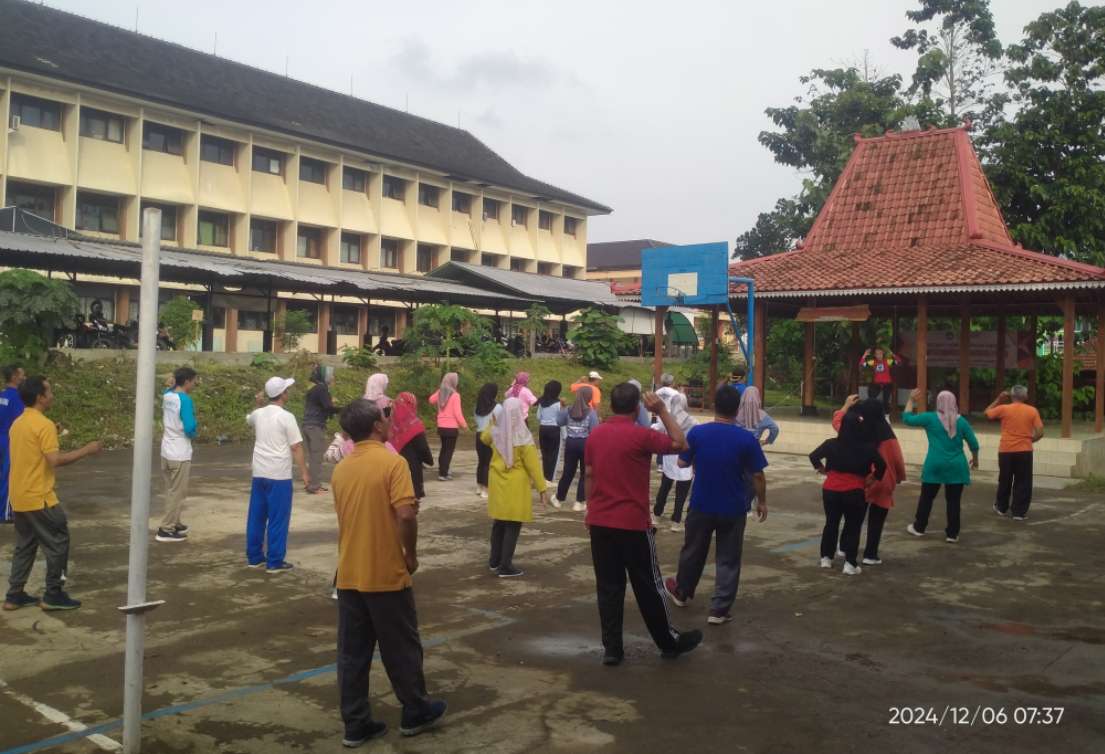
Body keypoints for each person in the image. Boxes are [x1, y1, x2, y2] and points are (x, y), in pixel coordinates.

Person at [331, 399, 447, 746]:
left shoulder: (342, 469)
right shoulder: (393, 463)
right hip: (384, 570)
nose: (388, 420)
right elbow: (406, 515)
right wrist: (409, 554)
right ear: (378, 426)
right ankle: (414, 709)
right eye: (384, 416)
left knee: (352, 654)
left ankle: (355, 723)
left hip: (349, 573)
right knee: (401, 646)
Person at [584, 382, 702, 666]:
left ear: (610, 406)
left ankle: (612, 649)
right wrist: (661, 410)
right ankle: (668, 642)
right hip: (633, 524)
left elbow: (589, 475)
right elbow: (681, 443)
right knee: (648, 586)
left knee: (608, 587)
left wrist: (590, 512)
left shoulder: (596, 435)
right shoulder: (641, 436)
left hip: (600, 522)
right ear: (637, 407)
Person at [664, 385, 768, 621]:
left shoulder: (698, 434)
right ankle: (719, 609)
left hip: (701, 503)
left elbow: (681, 463)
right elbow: (758, 475)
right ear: (737, 409)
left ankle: (682, 592)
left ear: (714, 405)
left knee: (692, 551)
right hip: (733, 507)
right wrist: (761, 501)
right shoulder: (747, 439)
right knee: (729, 558)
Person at [3, 376, 101, 611]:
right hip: (40, 497)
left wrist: (52, 431)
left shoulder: (19, 423)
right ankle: (53, 593)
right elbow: (55, 460)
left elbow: (33, 449)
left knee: (25, 545)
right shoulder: (43, 425)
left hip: (19, 496)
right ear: (40, 397)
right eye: (49, 391)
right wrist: (87, 450)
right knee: (58, 542)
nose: (52, 395)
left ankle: (14, 594)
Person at [809, 404, 886, 575]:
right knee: (853, 526)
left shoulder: (831, 444)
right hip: (854, 490)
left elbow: (813, 456)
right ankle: (850, 564)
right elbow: (882, 465)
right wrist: (872, 478)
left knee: (831, 523)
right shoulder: (867, 447)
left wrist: (822, 469)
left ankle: (826, 559)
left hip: (831, 489)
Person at [480, 397, 550, 577]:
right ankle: (506, 565)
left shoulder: (496, 431)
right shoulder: (523, 435)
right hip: (516, 485)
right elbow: (533, 465)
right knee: (513, 524)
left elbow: (483, 438)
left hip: (497, 482)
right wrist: (542, 488)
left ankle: (494, 562)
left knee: (499, 523)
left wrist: (491, 424)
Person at [246, 376, 310, 573]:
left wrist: (257, 405)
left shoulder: (258, 414)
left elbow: (249, 419)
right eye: (286, 390)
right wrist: (305, 473)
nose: (287, 393)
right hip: (279, 474)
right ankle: (275, 561)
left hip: (259, 472)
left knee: (256, 515)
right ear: (282, 394)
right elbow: (296, 447)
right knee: (278, 518)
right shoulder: (286, 417)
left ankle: (255, 557)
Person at [832, 396, 906, 565]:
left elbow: (837, 422)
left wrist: (845, 405)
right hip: (884, 481)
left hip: (863, 479)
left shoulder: (856, 431)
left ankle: (844, 547)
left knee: (854, 518)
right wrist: (900, 477)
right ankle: (870, 554)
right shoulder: (888, 436)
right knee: (876, 521)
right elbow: (897, 459)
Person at [903, 389, 979, 543]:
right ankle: (952, 534)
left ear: (938, 402)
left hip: (935, 464)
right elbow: (974, 444)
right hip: (957, 466)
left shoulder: (930, 418)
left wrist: (911, 400)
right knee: (953, 501)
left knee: (927, 498)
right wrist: (975, 460)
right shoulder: (962, 422)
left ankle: (919, 527)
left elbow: (907, 419)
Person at [984, 386, 1044, 521]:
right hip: (1024, 450)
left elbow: (987, 413)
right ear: (1025, 397)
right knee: (1023, 481)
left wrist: (998, 399)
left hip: (1006, 450)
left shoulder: (1004, 408)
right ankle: (1019, 512)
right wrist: (1030, 440)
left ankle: (1001, 507)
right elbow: (1040, 432)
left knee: (1004, 479)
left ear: (1011, 396)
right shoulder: (1032, 411)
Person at [157, 366, 198, 543]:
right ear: (187, 381)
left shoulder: (168, 396)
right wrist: (194, 433)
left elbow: (168, 389)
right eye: (194, 381)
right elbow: (189, 427)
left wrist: (170, 384)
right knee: (177, 492)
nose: (196, 384)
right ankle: (166, 528)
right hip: (180, 452)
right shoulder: (185, 400)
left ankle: (175, 522)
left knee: (172, 489)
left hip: (167, 450)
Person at [652, 392, 696, 532]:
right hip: (686, 459)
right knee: (681, 493)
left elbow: (656, 429)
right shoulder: (693, 421)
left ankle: (656, 515)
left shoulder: (667, 419)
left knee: (664, 488)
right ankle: (676, 521)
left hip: (669, 458)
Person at [555, 386, 599, 511]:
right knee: (585, 473)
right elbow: (594, 430)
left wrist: (562, 408)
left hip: (570, 443)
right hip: (585, 443)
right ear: (589, 397)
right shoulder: (591, 413)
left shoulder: (568, 410)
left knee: (568, 471)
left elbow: (559, 422)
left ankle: (559, 498)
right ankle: (579, 502)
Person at [390, 392, 434, 501]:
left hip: (395, 467)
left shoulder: (390, 423)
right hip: (413, 470)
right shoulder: (414, 424)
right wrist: (429, 460)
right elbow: (422, 447)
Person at [303, 365, 340, 495]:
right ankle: (314, 486)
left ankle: (312, 483)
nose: (333, 377)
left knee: (314, 456)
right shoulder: (321, 389)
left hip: (308, 425)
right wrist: (343, 409)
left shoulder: (315, 389)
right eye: (331, 374)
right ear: (325, 377)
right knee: (316, 456)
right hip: (315, 426)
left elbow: (324, 407)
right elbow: (328, 407)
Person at [429, 372, 467, 481]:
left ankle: (443, 470)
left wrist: (439, 390)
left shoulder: (441, 392)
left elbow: (431, 400)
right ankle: (443, 473)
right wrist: (464, 425)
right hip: (451, 428)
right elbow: (457, 413)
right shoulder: (455, 395)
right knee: (448, 451)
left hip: (441, 426)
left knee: (444, 449)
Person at [1, 364, 26, 524]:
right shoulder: (17, 398)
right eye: (23, 375)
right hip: (10, 441)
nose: (25, 378)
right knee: (9, 477)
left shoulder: (2, 396)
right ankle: (5, 513)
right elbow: (21, 423)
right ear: (15, 377)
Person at [473, 383, 500, 499]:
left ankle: (479, 486)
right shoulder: (498, 407)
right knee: (488, 462)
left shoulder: (476, 408)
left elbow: (476, 421)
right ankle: (486, 489)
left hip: (479, 435)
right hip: (491, 435)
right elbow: (500, 422)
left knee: (481, 461)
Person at [535, 381, 563, 483]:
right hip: (554, 429)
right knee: (553, 455)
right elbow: (561, 419)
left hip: (542, 429)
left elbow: (538, 417)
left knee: (545, 454)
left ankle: (544, 476)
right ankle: (549, 478)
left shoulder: (541, 402)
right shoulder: (558, 404)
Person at [860, 346, 901, 414]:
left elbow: (899, 362)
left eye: (880, 354)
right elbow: (862, 364)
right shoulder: (873, 362)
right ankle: (872, 414)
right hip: (877, 384)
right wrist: (864, 355)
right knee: (871, 399)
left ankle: (887, 416)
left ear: (882, 354)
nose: (879, 355)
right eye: (877, 354)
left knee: (886, 401)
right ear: (875, 355)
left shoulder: (887, 361)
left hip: (887, 383)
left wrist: (893, 354)